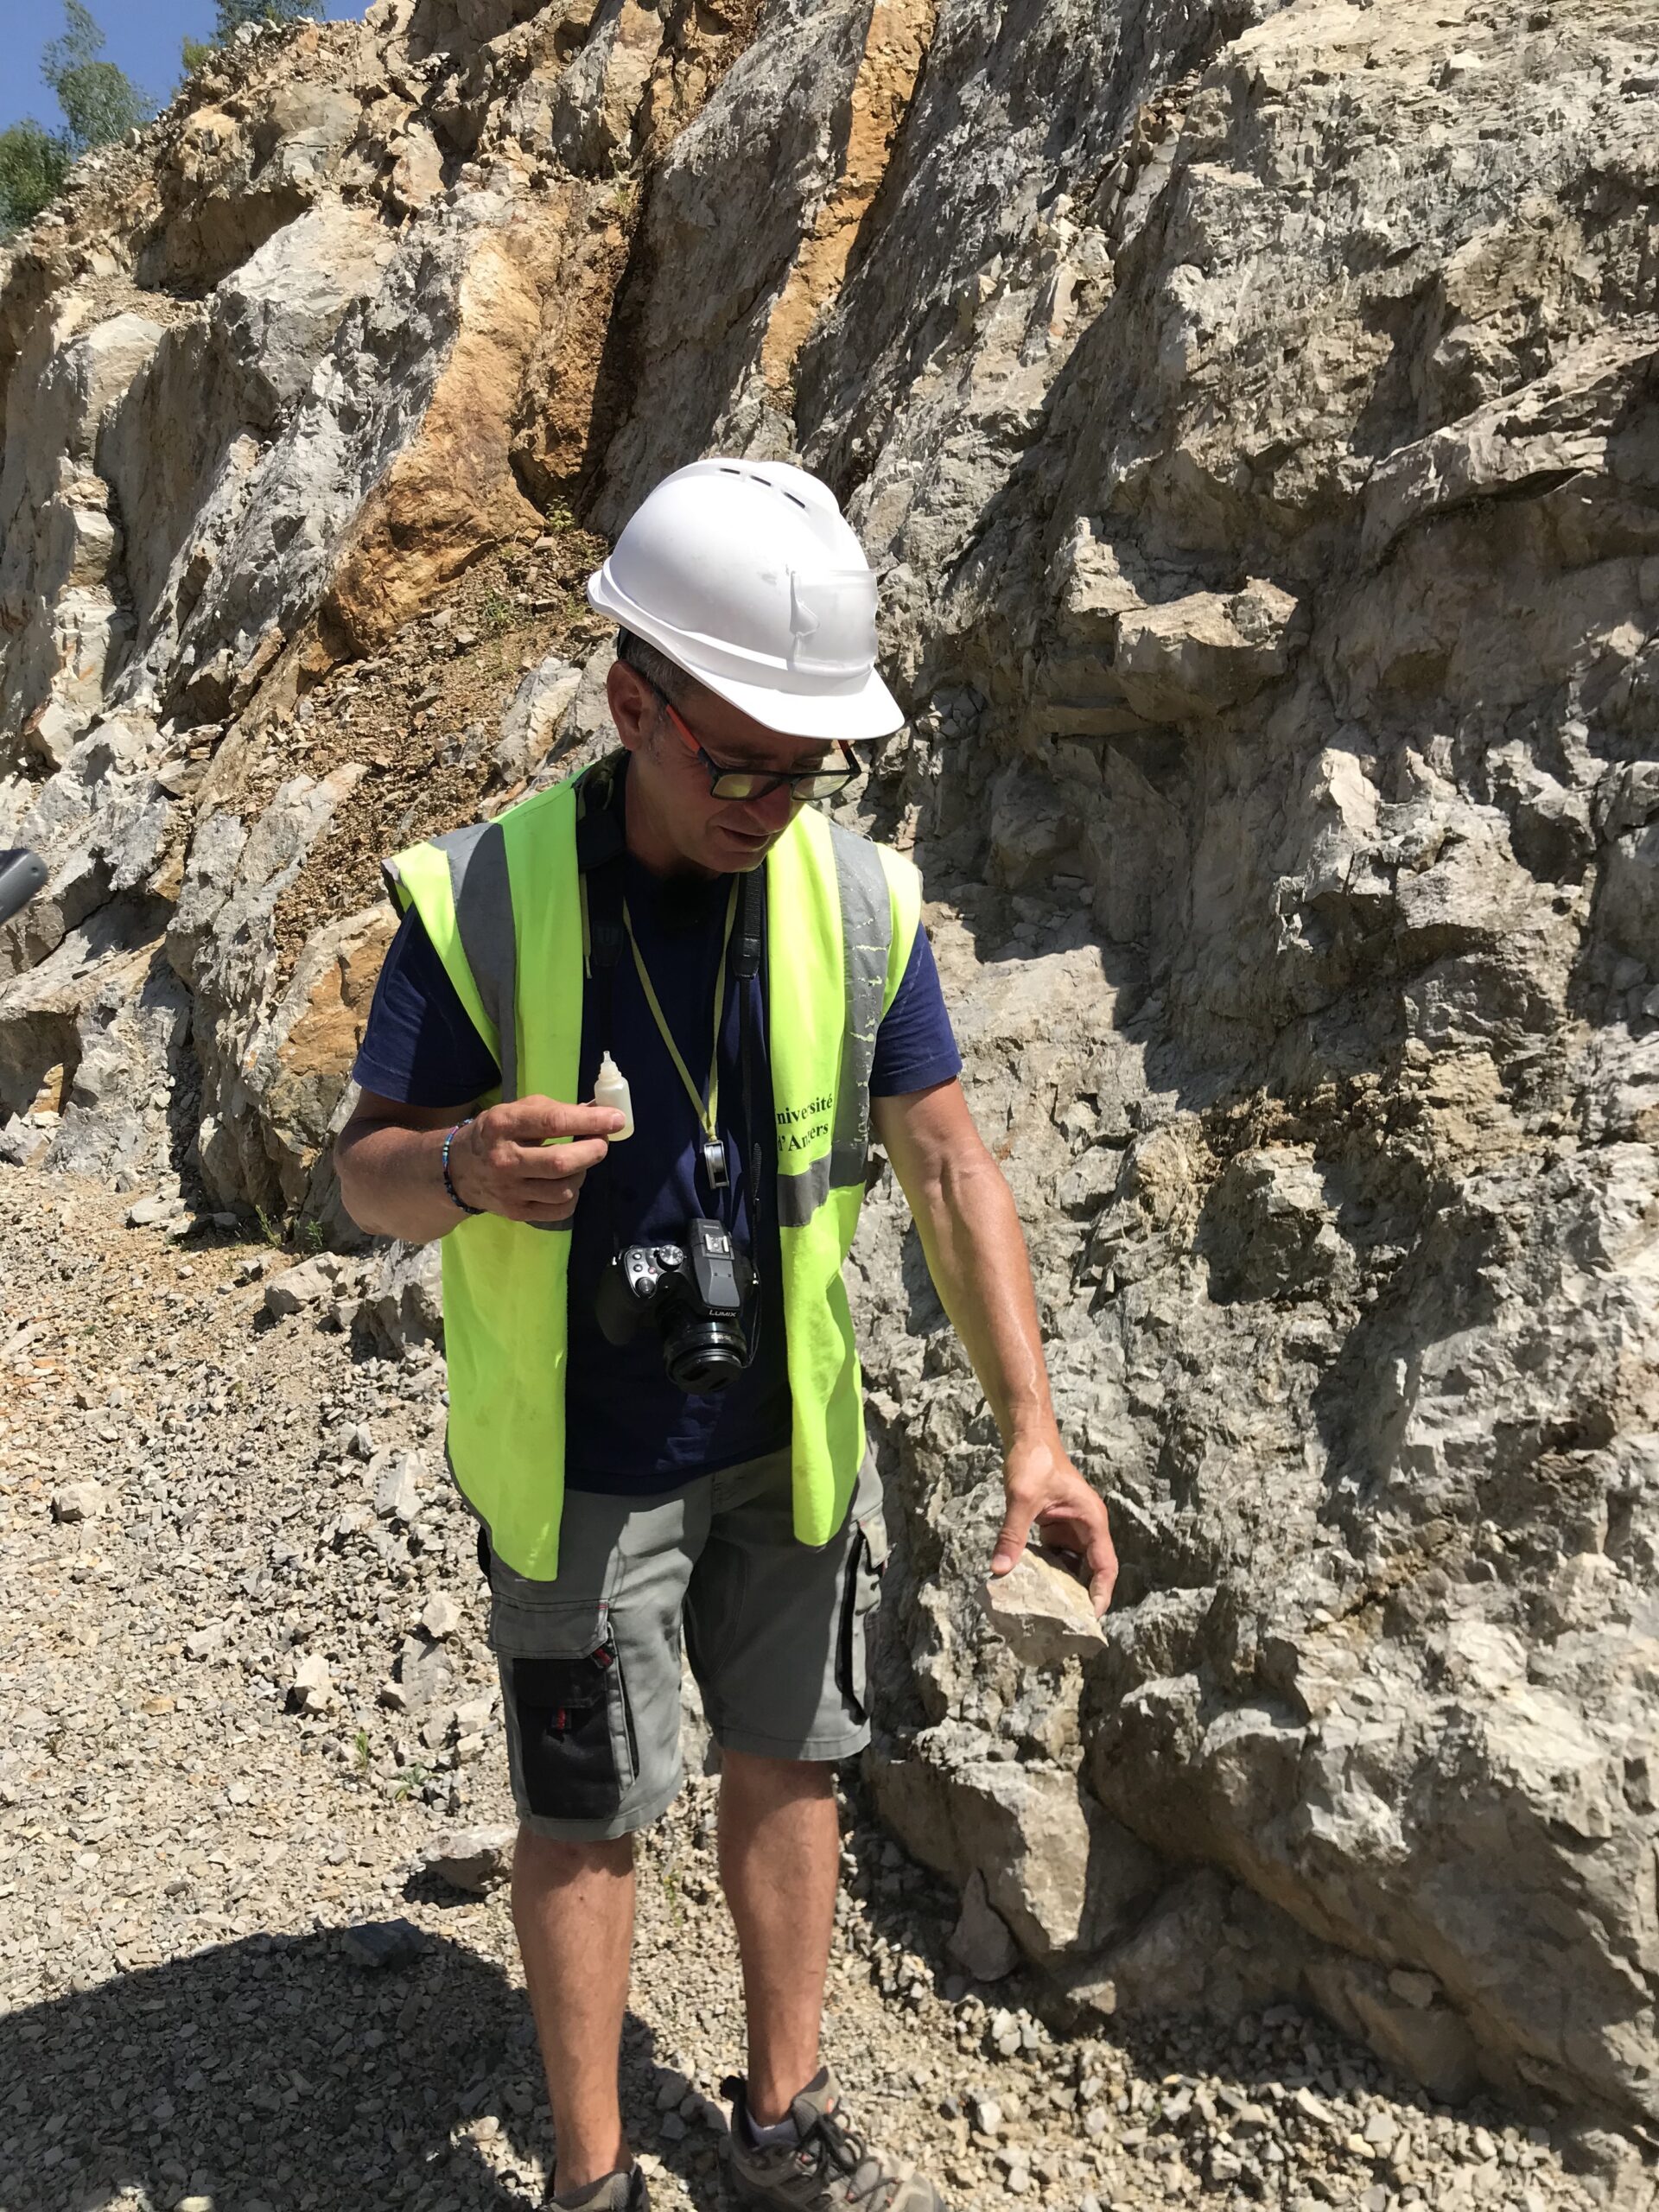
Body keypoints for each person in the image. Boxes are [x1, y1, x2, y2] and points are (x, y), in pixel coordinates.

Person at [334, 460, 1117, 2212]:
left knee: (795, 1759)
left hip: (786, 1440)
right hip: (580, 1464)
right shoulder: (482, 899)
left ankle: (779, 2119)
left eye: (806, 763)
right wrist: (459, 1167)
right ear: (634, 705)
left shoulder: (857, 902)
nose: (773, 798)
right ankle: (593, 2178)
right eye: (739, 759)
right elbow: (361, 1176)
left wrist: (1034, 1432)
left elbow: (949, 1161)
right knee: (588, 1812)